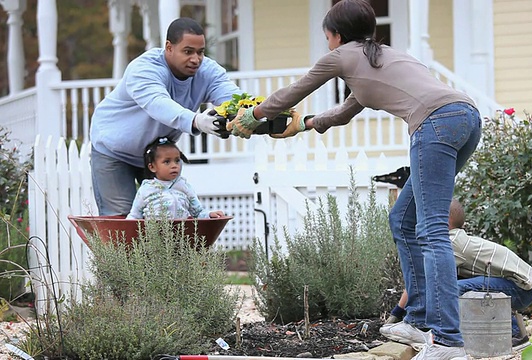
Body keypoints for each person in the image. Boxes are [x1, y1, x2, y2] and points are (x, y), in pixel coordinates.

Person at [225, 1, 482, 358]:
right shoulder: (385, 57)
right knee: (404, 221)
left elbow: (294, 91)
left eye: (327, 35)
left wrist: (254, 115)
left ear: (336, 35)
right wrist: (305, 124)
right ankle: (419, 319)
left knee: (432, 230)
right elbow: (346, 110)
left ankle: (448, 340)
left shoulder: (342, 55)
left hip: (435, 124)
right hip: (467, 118)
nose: (327, 42)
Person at [90, 17, 242, 216]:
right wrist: (196, 121)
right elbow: (158, 103)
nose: (196, 59)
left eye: (200, 52)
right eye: (188, 51)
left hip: (158, 155)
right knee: (121, 222)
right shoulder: (145, 69)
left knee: (170, 214)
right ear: (169, 47)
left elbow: (234, 100)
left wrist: (255, 115)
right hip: (114, 151)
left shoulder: (207, 71)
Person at [382, 199, 532, 349]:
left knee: (451, 287)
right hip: (520, 284)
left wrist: (396, 313)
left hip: (520, 287)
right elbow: (420, 280)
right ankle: (508, 331)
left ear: (444, 218)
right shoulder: (458, 239)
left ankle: (513, 335)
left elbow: (420, 278)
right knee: (451, 282)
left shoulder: (451, 243)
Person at [126, 137, 225, 220]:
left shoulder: (184, 186)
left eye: (177, 161)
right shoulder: (146, 189)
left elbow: (197, 212)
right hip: (155, 238)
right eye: (167, 162)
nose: (174, 166)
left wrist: (209, 215)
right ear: (152, 167)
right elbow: (134, 216)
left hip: (181, 234)